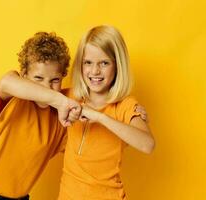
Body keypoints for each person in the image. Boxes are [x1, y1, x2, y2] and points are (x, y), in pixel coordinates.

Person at [0, 32, 81, 200]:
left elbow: (92, 96)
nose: (47, 87)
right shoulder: (16, 99)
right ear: (24, 75)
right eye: (38, 78)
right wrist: (58, 99)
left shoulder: (59, 116)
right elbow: (6, 82)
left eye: (54, 80)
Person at [58, 25, 155, 200]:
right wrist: (60, 103)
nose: (95, 71)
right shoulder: (70, 97)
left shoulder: (125, 105)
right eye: (88, 62)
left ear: (118, 65)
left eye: (104, 63)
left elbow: (147, 144)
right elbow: (24, 89)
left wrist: (100, 117)